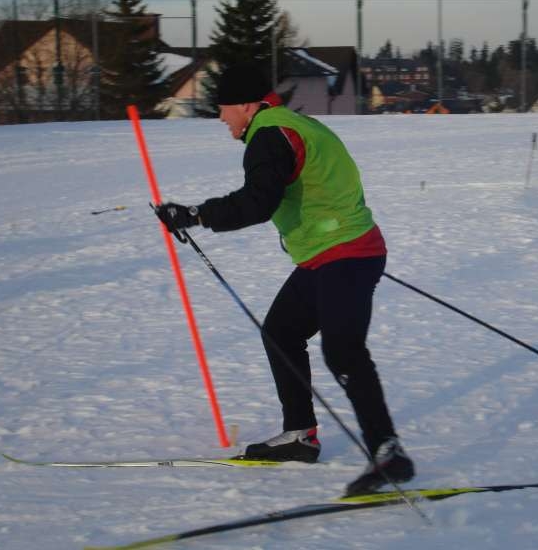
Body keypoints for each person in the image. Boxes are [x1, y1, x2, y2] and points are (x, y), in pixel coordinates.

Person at [154, 63, 414, 496]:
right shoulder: (291, 124)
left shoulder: (269, 133)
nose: (221, 119)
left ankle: (388, 452)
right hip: (329, 254)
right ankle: (299, 435)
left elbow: (258, 201)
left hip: (345, 253)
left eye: (223, 109)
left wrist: (198, 215)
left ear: (245, 105)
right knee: (281, 332)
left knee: (343, 350)